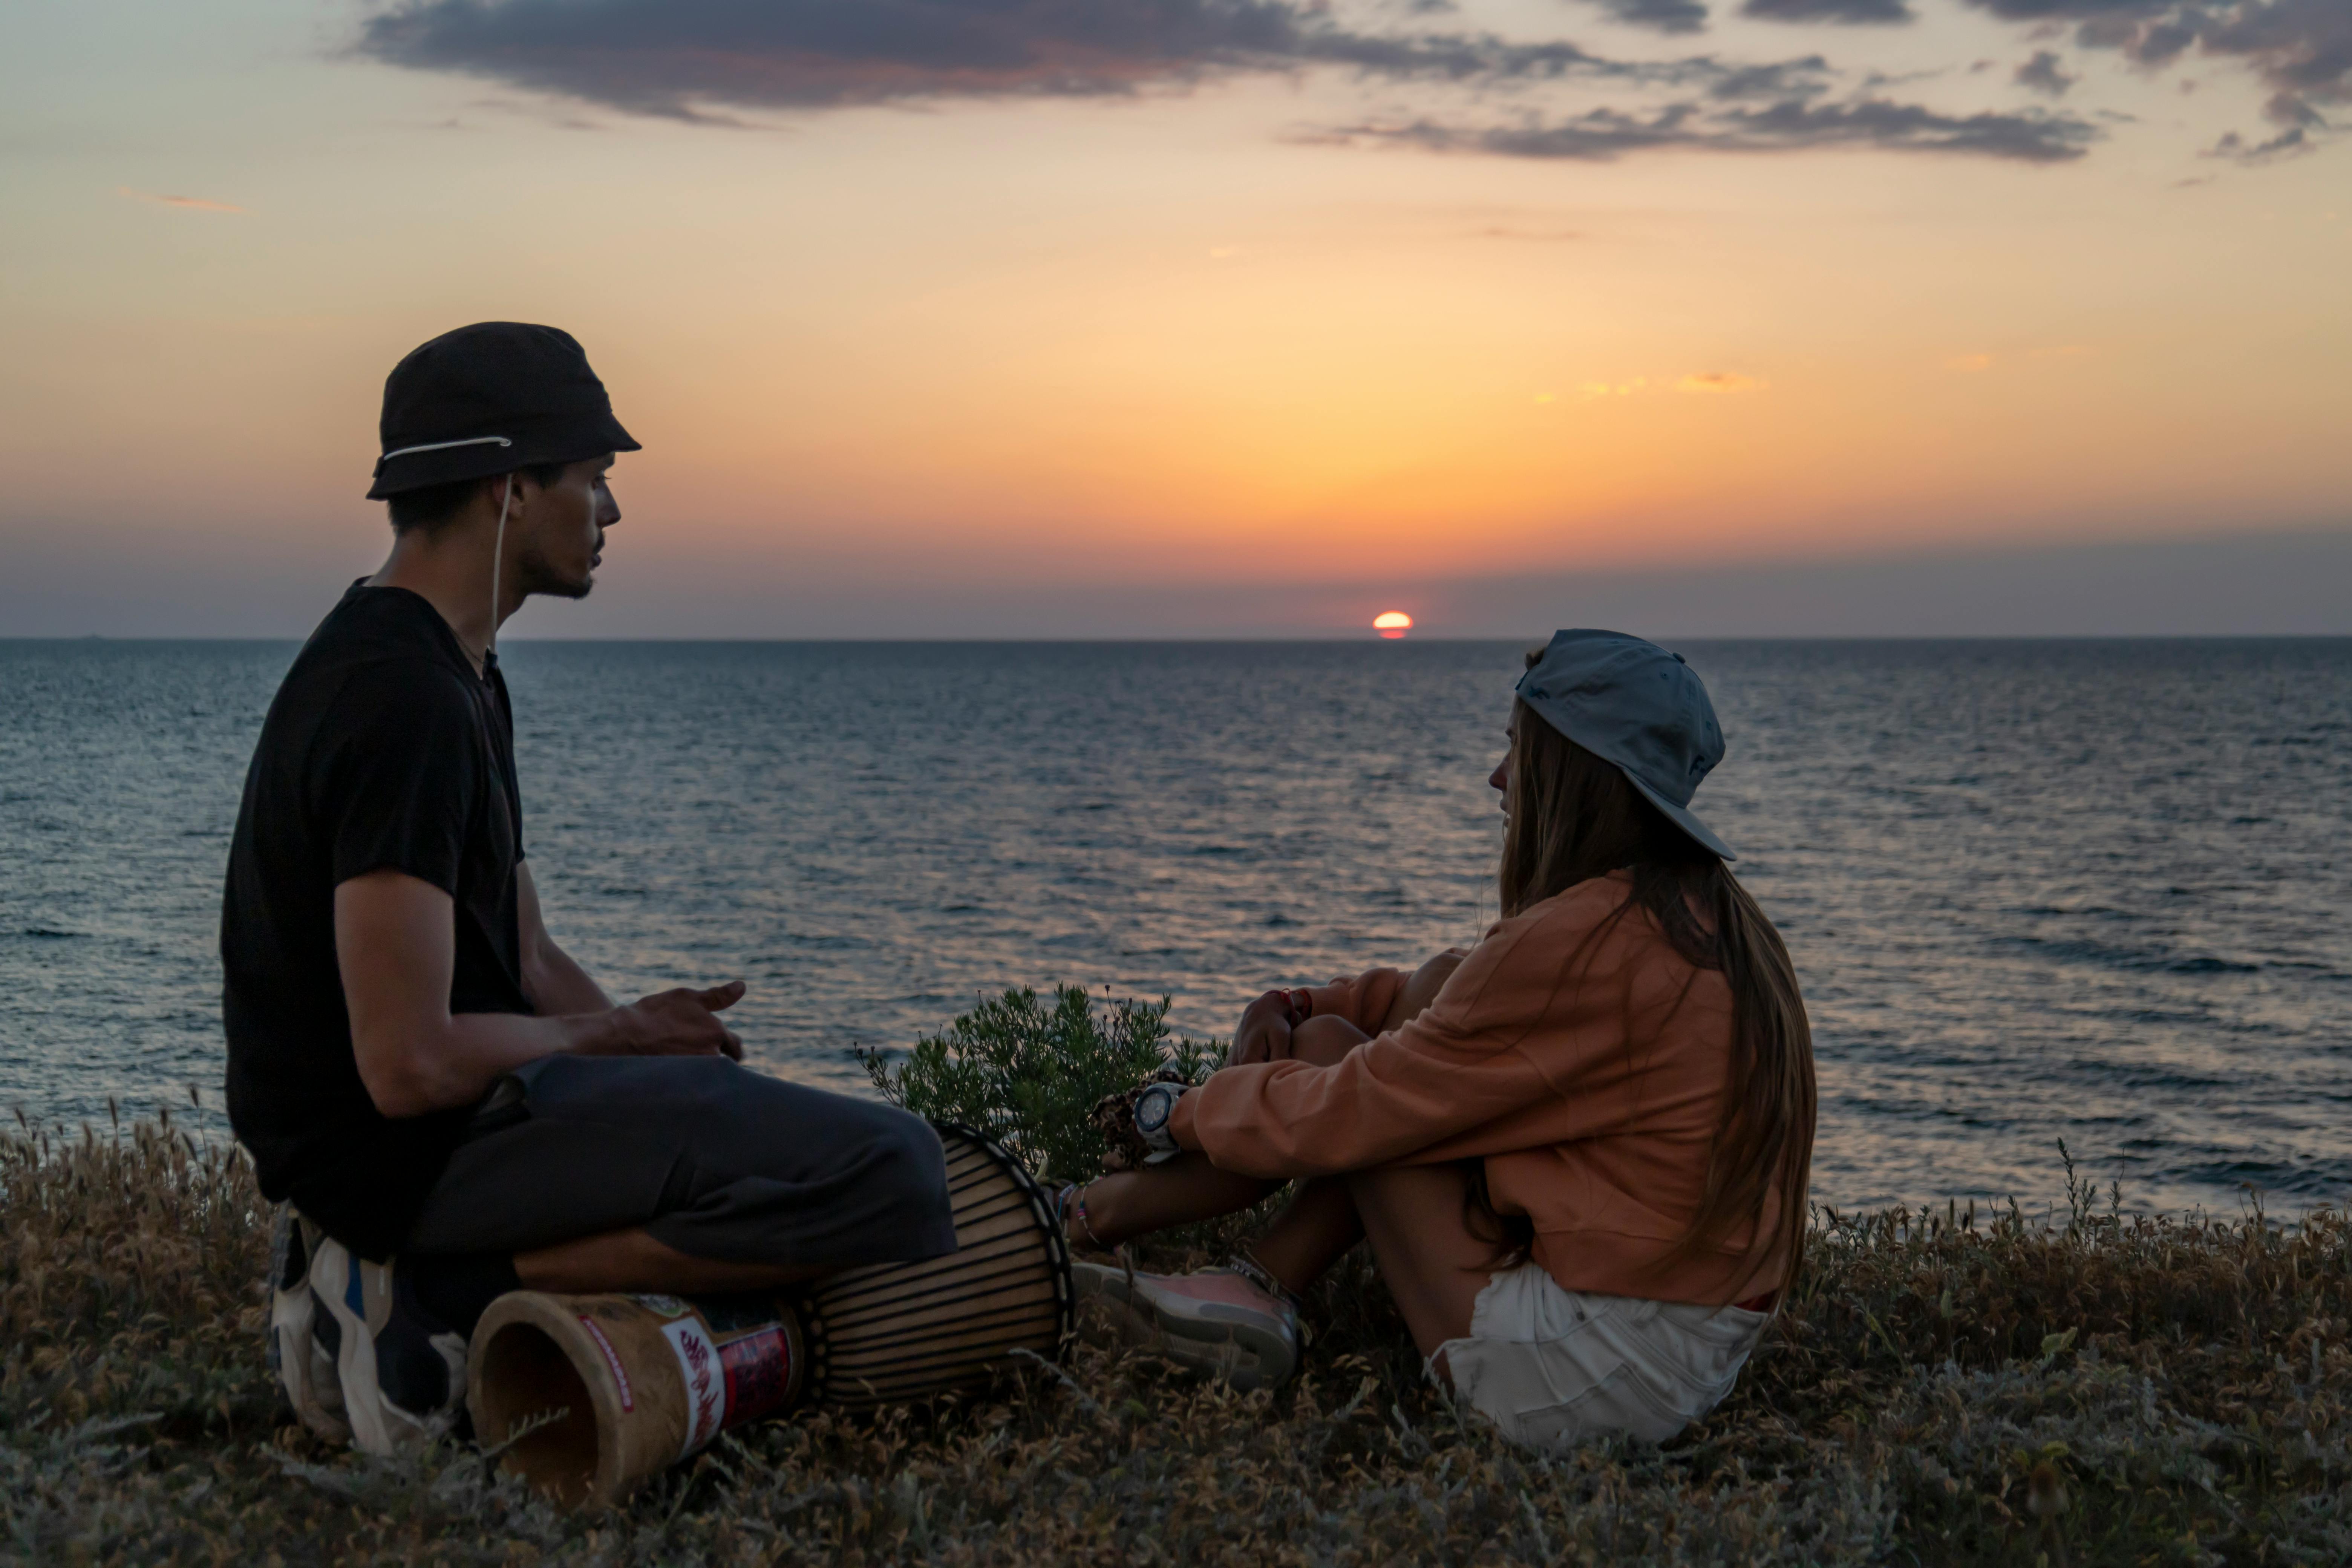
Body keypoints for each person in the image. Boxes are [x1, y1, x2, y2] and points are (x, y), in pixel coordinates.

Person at [221, 322, 957, 1455]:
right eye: (594, 478)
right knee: (895, 1174)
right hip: (399, 1161)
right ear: (513, 487)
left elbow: (524, 952)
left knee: (832, 1156)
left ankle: (431, 1280)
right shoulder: (396, 701)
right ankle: (430, 1290)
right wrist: (610, 1041)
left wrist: (648, 1054)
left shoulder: (461, 671)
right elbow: (404, 1063)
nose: (611, 512)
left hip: (468, 1124)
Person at [1059, 630, 1816, 1452]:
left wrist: (1177, 1114)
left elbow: (1359, 1103)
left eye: (1516, 751)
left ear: (1573, 774)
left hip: (1590, 1376)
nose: (1497, 778)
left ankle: (1085, 1221)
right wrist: (1295, 1000)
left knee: (1358, 1090)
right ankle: (1251, 1282)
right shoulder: (1704, 922)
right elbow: (1454, 991)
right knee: (1360, 1052)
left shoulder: (1585, 942)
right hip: (1687, 1353)